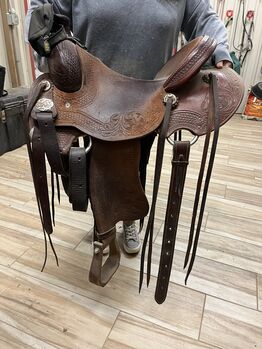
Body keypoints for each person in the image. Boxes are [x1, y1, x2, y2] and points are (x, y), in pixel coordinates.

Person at [26, 0, 232, 254]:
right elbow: (43, 8)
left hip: (148, 93)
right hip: (90, 91)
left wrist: (220, 49)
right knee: (93, 161)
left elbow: (202, 16)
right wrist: (44, 39)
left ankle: (129, 218)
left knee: (138, 161)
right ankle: (103, 218)